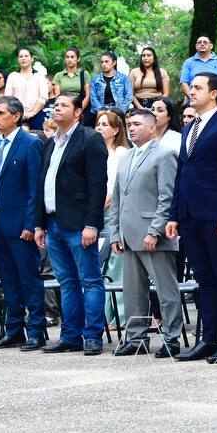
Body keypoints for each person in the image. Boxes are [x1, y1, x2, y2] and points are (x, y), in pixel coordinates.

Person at [166, 73, 217, 364]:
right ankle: (208, 339)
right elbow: (181, 175)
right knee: (204, 279)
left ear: (214, 94)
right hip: (190, 216)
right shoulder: (190, 127)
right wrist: (175, 214)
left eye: (198, 88)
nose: (192, 92)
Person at [35, 94, 109, 355]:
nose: (57, 109)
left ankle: (92, 335)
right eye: (55, 105)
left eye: (64, 105)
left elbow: (97, 186)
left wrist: (92, 224)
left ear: (78, 112)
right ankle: (70, 336)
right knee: (66, 282)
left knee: (89, 280)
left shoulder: (90, 139)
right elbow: (42, 185)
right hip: (53, 222)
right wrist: (39, 224)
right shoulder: (50, 142)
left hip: (79, 224)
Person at [108, 108, 185, 358]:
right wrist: (115, 233)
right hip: (129, 234)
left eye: (137, 124)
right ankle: (136, 337)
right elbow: (118, 198)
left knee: (165, 290)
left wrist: (155, 230)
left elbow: (167, 197)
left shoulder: (165, 154)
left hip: (153, 234)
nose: (131, 128)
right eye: (129, 124)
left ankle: (172, 337)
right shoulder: (126, 157)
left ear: (152, 128)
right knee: (133, 291)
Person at [0, 95, 49, 351]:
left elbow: (34, 187)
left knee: (28, 279)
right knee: (8, 279)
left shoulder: (30, 144)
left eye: (0, 113)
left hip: (21, 224)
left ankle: (36, 330)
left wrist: (31, 224)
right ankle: (13, 329)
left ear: (16, 116)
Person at [96, 108, 130, 332]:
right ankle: (103, 315)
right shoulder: (93, 150)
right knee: (100, 265)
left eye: (105, 124)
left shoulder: (121, 153)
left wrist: (103, 203)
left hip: (113, 212)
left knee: (116, 265)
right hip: (94, 213)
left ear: (116, 129)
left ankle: (119, 317)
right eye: (98, 124)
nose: (99, 128)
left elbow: (115, 188)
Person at [7, 48, 49, 130]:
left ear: (32, 58)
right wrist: (19, 113)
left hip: (36, 115)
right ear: (18, 59)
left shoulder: (39, 76)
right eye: (21, 56)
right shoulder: (12, 76)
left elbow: (43, 97)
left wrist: (32, 113)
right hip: (16, 116)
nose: (23, 58)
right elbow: (9, 98)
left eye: (26, 56)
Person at [179, 35, 217, 99]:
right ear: (196, 46)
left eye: (205, 42)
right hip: (192, 98)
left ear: (211, 46)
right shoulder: (188, 62)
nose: (202, 44)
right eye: (199, 42)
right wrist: (192, 98)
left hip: (215, 98)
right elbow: (183, 83)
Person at [90, 51, 133, 116]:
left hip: (119, 112)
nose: (104, 64)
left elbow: (128, 97)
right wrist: (102, 112)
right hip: (100, 113)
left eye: (106, 61)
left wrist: (119, 112)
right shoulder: (95, 79)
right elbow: (93, 98)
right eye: (102, 62)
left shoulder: (123, 78)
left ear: (114, 62)